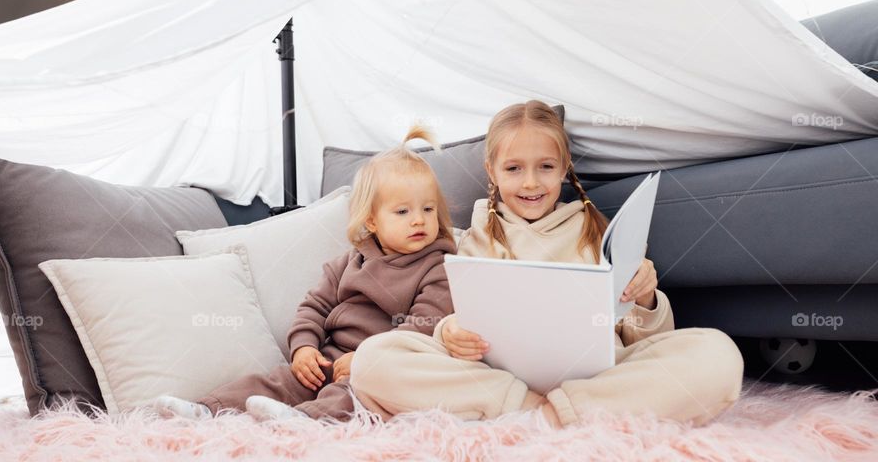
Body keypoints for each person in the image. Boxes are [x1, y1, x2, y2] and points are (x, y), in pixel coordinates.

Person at [351, 100, 744, 427]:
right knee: (373, 360)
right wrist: (450, 332)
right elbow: (456, 324)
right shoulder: (475, 238)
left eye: (545, 167)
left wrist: (645, 300)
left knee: (719, 356)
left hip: (597, 377)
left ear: (563, 167)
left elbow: (639, 336)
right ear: (491, 171)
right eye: (514, 168)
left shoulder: (593, 231)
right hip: (502, 380)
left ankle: (552, 416)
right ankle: (543, 413)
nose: (531, 184)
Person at [154, 125, 456, 420]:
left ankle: (304, 422)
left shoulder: (438, 266)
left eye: (428, 209)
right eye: (403, 212)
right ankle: (206, 409)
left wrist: (367, 361)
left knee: (350, 394)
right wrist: (304, 349)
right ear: (372, 221)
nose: (418, 220)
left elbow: (421, 330)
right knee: (278, 381)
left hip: (381, 368)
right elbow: (313, 308)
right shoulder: (351, 262)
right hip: (331, 356)